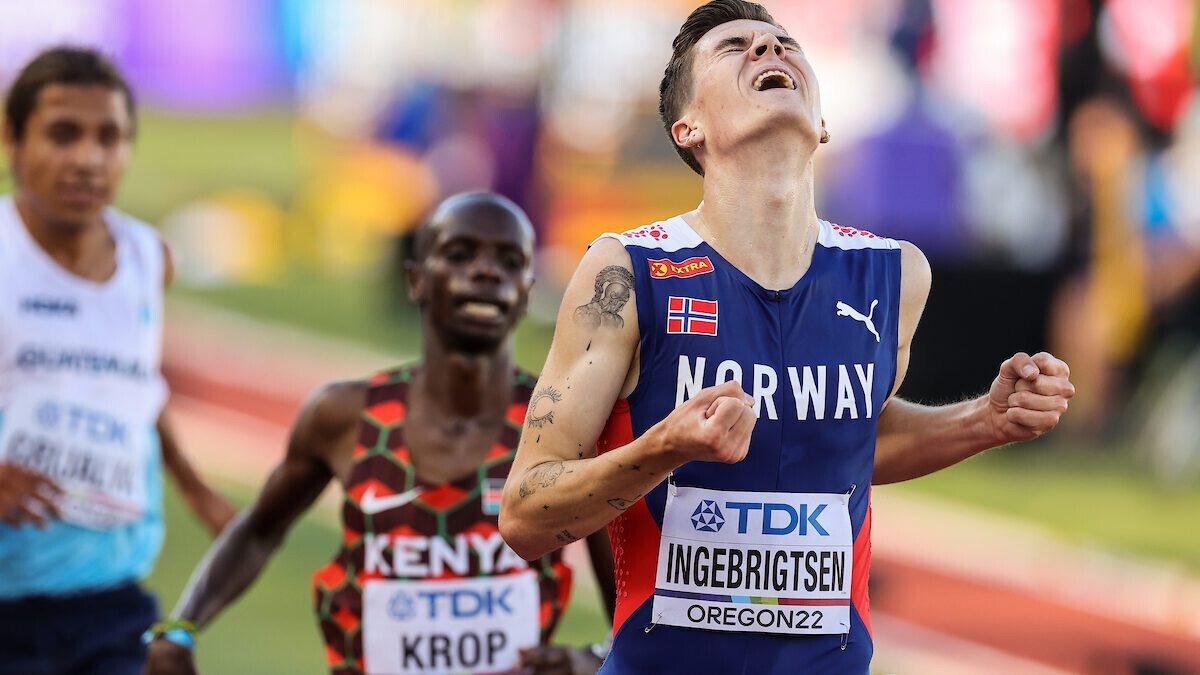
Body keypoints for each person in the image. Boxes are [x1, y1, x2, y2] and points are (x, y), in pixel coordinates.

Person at [498, 2, 1075, 673]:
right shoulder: (628, 272)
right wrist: (663, 448)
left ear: (822, 123)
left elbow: (850, 439)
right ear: (688, 128)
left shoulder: (894, 275)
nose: (769, 50)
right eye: (734, 47)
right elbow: (526, 517)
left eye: (784, 43)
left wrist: (983, 420)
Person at [145, 192, 615, 675]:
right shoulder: (346, 417)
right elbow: (259, 530)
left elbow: (628, 583)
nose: (487, 272)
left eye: (510, 261)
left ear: (527, 291)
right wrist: (181, 627)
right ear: (416, 280)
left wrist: (596, 657)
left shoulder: (562, 428)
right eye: (459, 254)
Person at [0, 47, 235, 675]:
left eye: (110, 137)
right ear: (12, 139)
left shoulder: (147, 258)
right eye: (63, 134)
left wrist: (196, 490)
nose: (89, 159)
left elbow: (133, 387)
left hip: (111, 598)